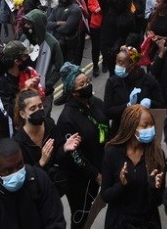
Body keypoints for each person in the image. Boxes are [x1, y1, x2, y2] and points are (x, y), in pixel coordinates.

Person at [0, 138, 66, 229]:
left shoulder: (39, 180)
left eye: (20, 165)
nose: (16, 174)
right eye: (7, 170)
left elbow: (55, 221)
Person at [55, 63, 108, 229]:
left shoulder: (96, 103)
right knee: (81, 216)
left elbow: (106, 131)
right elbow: (75, 155)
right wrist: (96, 175)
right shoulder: (67, 119)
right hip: (80, 180)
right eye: (82, 84)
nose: (87, 86)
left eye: (87, 81)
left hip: (101, 166)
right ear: (73, 92)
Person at [100, 104, 166, 229]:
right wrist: (121, 184)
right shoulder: (112, 153)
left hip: (148, 222)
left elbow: (158, 201)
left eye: (152, 125)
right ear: (131, 127)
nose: (150, 129)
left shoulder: (157, 154)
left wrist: (154, 188)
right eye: (145, 126)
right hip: (120, 222)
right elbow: (105, 195)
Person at [11, 89, 78, 196]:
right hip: (36, 196)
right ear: (23, 114)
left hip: (55, 189)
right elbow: (24, 179)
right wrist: (41, 163)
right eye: (33, 108)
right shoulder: (19, 143)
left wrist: (64, 148)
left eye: (40, 106)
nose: (38, 110)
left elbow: (58, 156)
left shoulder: (49, 125)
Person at [0, 40, 39, 141]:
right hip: (13, 138)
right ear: (17, 61)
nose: (28, 58)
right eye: (25, 56)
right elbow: (7, 114)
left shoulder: (28, 73)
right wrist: (24, 90)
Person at [20, 9, 63, 114]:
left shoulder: (52, 44)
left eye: (29, 24)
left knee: (43, 120)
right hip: (24, 90)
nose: (26, 26)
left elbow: (59, 68)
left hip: (42, 93)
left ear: (37, 26)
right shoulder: (23, 38)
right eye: (25, 23)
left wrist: (46, 85)